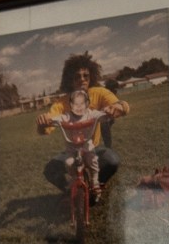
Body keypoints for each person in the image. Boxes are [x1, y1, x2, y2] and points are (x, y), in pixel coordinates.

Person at [39, 58, 127, 192]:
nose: (82, 79)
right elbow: (48, 124)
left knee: (113, 161)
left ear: (91, 76)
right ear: (70, 79)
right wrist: (43, 122)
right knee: (49, 170)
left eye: (86, 75)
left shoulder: (99, 93)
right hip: (72, 149)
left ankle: (95, 186)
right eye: (77, 76)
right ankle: (71, 191)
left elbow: (121, 104)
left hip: (92, 147)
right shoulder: (62, 102)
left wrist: (118, 107)